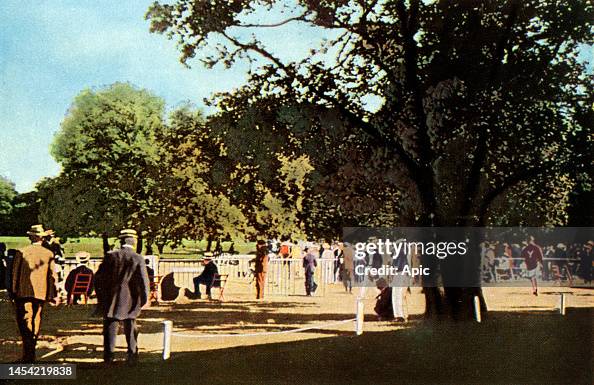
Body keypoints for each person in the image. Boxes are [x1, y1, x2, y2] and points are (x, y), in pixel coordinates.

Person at [94, 229, 150, 364]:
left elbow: (98, 278)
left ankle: (109, 356)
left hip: (111, 296)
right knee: (130, 325)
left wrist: (101, 296)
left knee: (110, 326)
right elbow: (144, 281)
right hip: (131, 297)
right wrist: (145, 299)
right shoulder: (138, 258)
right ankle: (132, 355)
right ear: (134, 242)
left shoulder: (110, 256)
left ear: (121, 241)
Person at [10, 224, 59, 363]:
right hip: (41, 293)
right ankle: (30, 351)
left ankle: (28, 353)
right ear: (42, 238)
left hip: (23, 292)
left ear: (31, 237)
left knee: (25, 321)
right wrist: (53, 294)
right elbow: (52, 276)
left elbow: (15, 275)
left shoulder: (22, 252)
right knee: (36, 320)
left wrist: (13, 291)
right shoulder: (48, 254)